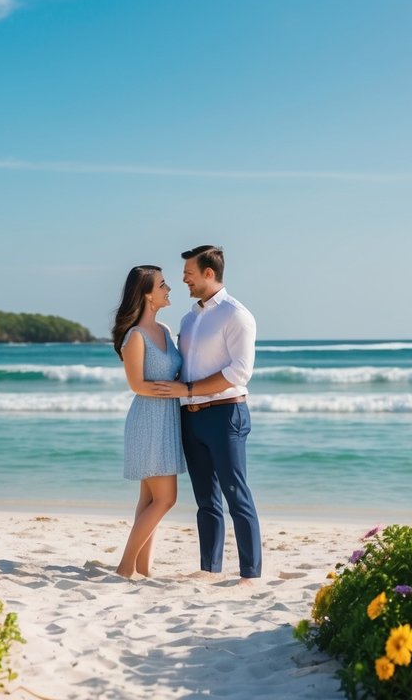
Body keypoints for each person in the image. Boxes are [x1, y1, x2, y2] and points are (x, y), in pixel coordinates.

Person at [165, 245, 262, 581]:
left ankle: (250, 573)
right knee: (206, 500)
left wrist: (189, 390)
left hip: (226, 416)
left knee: (237, 495)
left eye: (189, 274)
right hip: (191, 418)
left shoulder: (237, 315)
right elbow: (185, 368)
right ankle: (210, 570)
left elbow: (239, 373)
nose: (184, 281)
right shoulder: (189, 318)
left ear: (209, 273)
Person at [110, 264, 188, 579]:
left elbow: (175, 370)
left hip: (167, 419)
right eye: (162, 284)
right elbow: (136, 384)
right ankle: (125, 566)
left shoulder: (166, 331)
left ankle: (143, 568)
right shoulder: (135, 336)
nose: (168, 289)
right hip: (148, 421)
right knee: (166, 499)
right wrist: (171, 389)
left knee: (150, 499)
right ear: (147, 294)